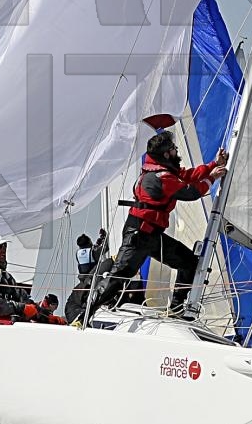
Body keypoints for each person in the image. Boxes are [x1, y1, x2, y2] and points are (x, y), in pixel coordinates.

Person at [83, 116, 228, 322]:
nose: (177, 152)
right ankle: (84, 314)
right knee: (119, 276)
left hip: (151, 235)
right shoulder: (162, 177)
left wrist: (214, 164)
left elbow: (187, 175)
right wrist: (212, 177)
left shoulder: (163, 171)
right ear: (166, 154)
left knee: (189, 263)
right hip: (138, 235)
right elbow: (191, 192)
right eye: (174, 150)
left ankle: (176, 307)